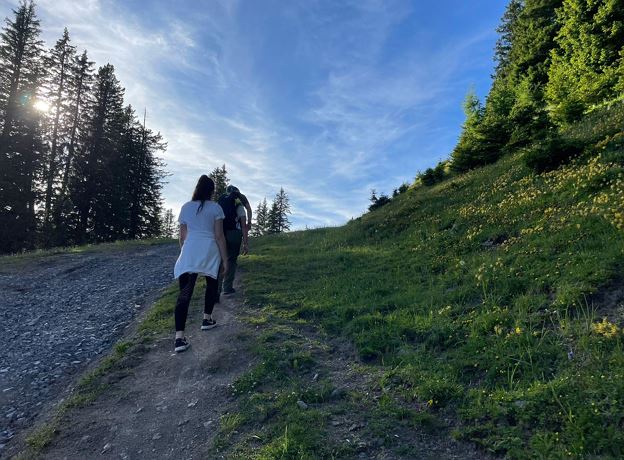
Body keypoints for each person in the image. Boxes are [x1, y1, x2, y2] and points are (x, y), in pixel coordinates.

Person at [172, 175, 228, 353]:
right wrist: (225, 260)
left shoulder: (186, 208)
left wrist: (185, 250)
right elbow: (219, 236)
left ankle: (179, 338)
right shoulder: (216, 208)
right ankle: (207, 319)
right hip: (209, 248)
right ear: (211, 191)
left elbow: (182, 236)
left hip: (190, 249)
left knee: (185, 293)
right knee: (212, 283)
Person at [217, 185, 252, 296]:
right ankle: (227, 288)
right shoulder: (239, 204)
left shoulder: (222, 201)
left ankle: (215, 292)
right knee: (231, 260)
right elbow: (243, 225)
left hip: (220, 233)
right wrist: (245, 243)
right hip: (234, 234)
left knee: (220, 261)